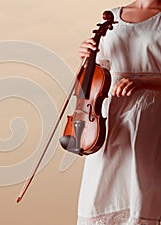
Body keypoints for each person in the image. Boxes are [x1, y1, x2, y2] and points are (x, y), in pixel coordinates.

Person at [77, 1, 161, 224]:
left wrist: (143, 83)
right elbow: (100, 70)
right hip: (109, 115)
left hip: (150, 116)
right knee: (101, 188)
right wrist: (88, 57)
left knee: (142, 186)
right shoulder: (111, 17)